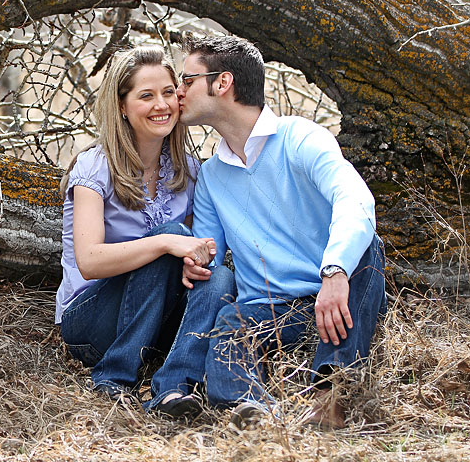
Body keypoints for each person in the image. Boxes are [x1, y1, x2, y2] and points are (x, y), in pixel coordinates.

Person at [177, 35, 387, 429]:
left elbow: (356, 200)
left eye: (187, 81)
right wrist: (194, 260)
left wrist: (336, 271)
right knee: (228, 323)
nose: (178, 91)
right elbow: (209, 252)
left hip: (340, 292)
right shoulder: (211, 176)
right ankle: (255, 411)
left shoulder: (301, 138)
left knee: (367, 248)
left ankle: (329, 399)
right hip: (270, 309)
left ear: (222, 83)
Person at [56, 44, 235, 417]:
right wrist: (167, 242)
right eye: (146, 96)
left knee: (219, 279)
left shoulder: (187, 170)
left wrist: (190, 259)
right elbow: (89, 261)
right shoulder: (95, 169)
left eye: (168, 92)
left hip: (155, 324)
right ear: (122, 106)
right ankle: (113, 377)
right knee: (167, 236)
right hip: (91, 323)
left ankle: (173, 387)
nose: (162, 105)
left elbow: (194, 253)